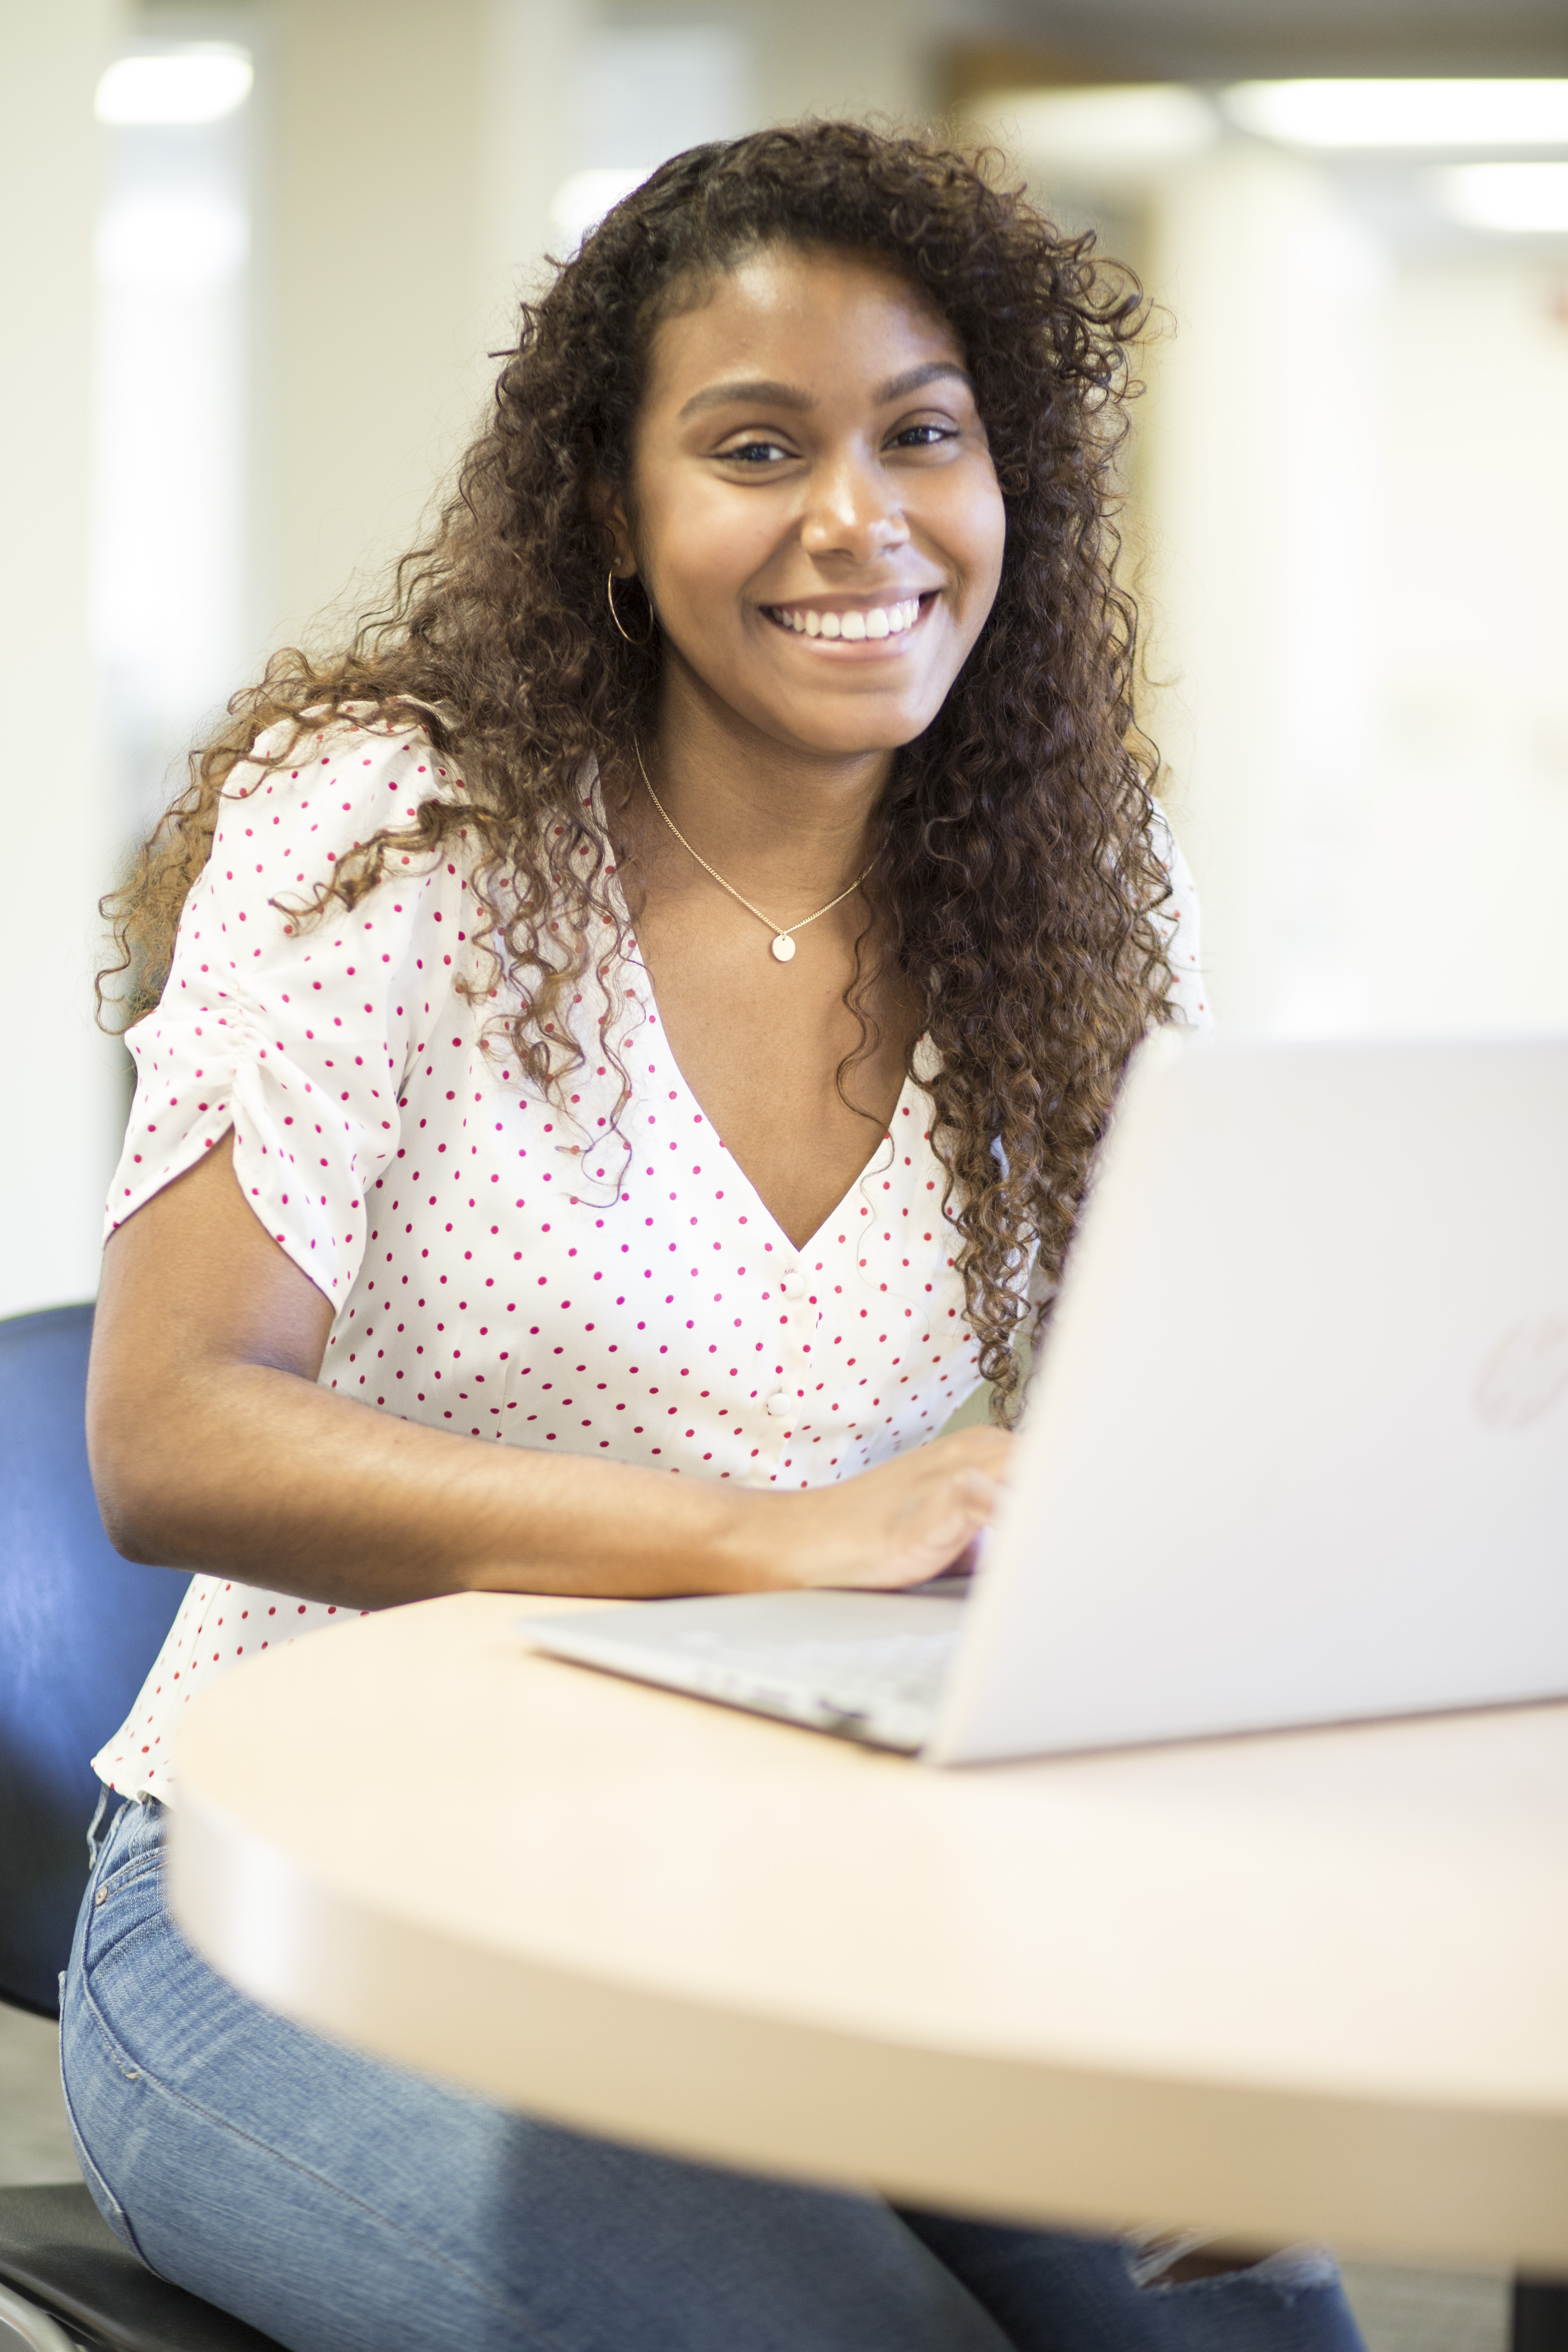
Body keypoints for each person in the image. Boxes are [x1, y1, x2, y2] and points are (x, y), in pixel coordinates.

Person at [61, 123, 1363, 2352]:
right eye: (758, 446)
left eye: (923, 436)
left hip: (817, 1887)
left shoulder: (1074, 878)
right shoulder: (394, 828)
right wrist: (761, 1537)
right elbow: (171, 1438)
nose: (858, 521)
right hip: (304, 1891)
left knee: (1254, 2335)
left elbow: (1156, 1454)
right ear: (614, 507)